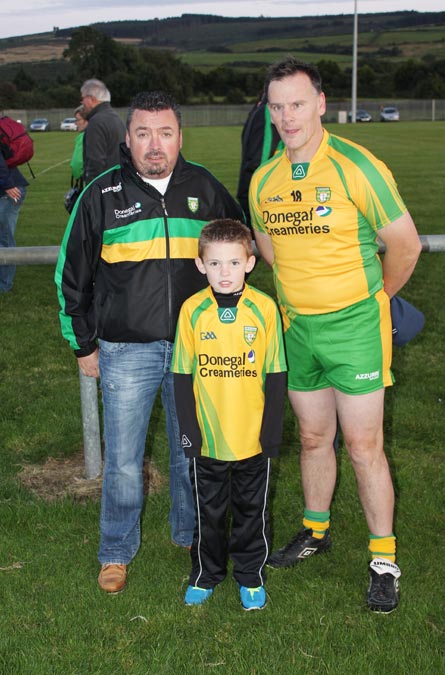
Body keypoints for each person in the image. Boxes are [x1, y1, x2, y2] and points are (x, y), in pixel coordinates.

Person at [249, 57, 422, 613]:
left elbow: (405, 244)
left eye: (296, 104)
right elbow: (270, 250)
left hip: (355, 329)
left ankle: (383, 558)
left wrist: (379, 300)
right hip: (298, 329)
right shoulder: (263, 179)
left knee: (364, 445)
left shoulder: (356, 166)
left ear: (320, 104)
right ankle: (315, 532)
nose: (286, 117)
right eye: (277, 107)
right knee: (312, 438)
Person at [55, 90, 245, 594]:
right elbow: (71, 277)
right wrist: (84, 345)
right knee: (121, 460)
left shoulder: (205, 188)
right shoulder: (102, 194)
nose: (154, 144)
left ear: (180, 136)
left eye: (164, 133)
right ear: (128, 138)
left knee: (190, 450)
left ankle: (189, 533)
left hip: (195, 350)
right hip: (124, 351)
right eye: (143, 133)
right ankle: (115, 551)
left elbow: (240, 253)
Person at [171, 219, 287, 610]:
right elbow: (182, 377)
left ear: (250, 263)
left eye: (234, 263)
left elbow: (275, 376)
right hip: (208, 438)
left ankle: (251, 575)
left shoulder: (264, 309)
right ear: (200, 264)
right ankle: (206, 573)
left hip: (252, 438)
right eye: (215, 263)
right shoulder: (192, 311)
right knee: (209, 513)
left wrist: (271, 434)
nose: (225, 272)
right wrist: (189, 433)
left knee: (252, 511)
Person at [236, 92, 282, 227]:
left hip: (251, 191)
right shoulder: (266, 112)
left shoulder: (258, 110)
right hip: (261, 197)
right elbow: (260, 161)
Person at [80, 78, 126, 183]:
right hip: (118, 183)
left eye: (83, 98)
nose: (82, 102)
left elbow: (95, 162)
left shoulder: (96, 122)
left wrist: (91, 191)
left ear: (91, 99)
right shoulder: (116, 118)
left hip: (103, 188)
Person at [0, 147, 28, 293]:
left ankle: (4, 285)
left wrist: (7, 184)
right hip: (8, 187)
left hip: (8, 190)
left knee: (4, 238)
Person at [69, 105, 89, 182]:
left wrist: (78, 175)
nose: (75, 123)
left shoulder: (83, 137)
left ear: (86, 120)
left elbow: (76, 164)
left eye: (78, 120)